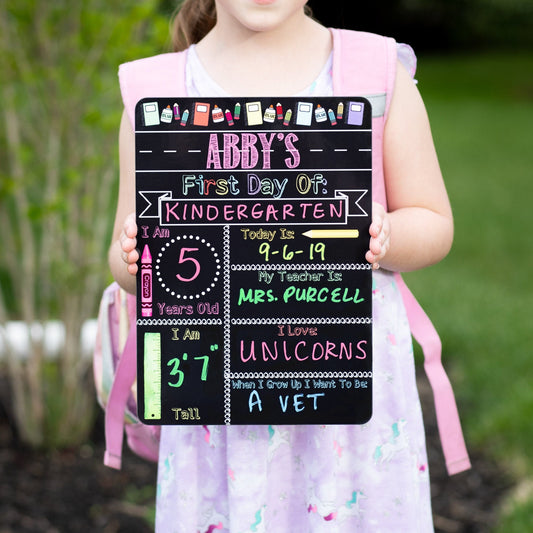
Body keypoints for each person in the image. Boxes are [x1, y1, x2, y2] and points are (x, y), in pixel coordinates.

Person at [109, 1, 468, 531]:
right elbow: (124, 259)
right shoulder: (158, 93)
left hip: (348, 387)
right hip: (218, 400)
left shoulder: (374, 74)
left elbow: (434, 222)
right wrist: (133, 256)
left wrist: (383, 235)